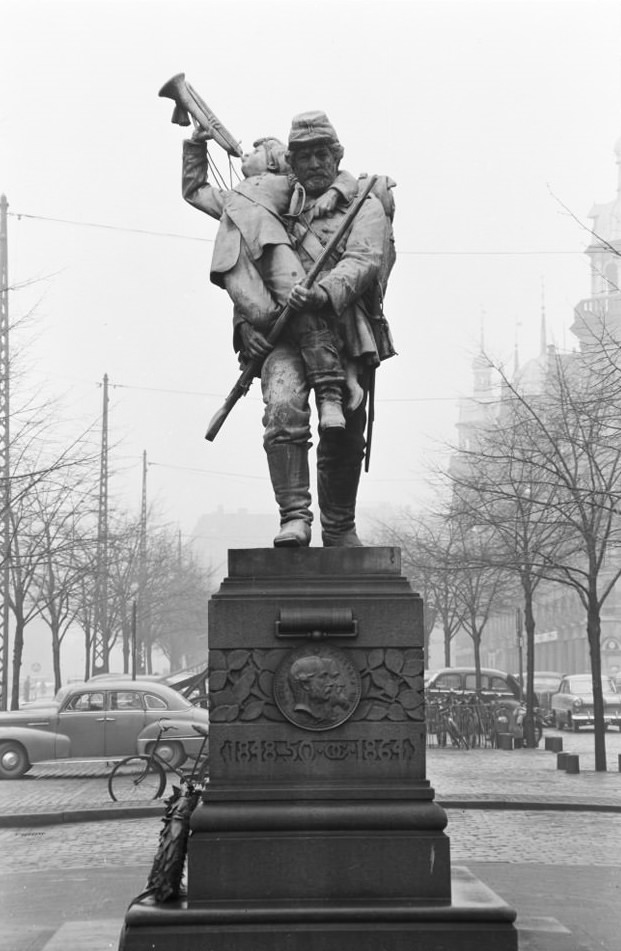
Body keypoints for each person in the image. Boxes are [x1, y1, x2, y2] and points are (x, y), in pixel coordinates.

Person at [243, 110, 396, 547]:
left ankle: (339, 527)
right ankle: (294, 518)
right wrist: (244, 325)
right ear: (291, 162)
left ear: (337, 155)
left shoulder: (364, 206)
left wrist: (322, 294)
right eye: (304, 156)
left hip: (346, 332)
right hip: (283, 333)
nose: (313, 163)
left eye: (321, 154)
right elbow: (247, 265)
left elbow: (364, 260)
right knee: (282, 409)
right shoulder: (271, 205)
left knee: (345, 431)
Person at [182, 133, 363, 429]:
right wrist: (196, 145)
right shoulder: (231, 198)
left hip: (274, 251)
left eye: (254, 152)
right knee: (262, 318)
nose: (244, 156)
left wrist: (335, 193)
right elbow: (195, 190)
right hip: (237, 267)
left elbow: (344, 178)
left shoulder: (289, 184)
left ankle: (329, 392)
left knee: (302, 308)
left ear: (273, 161)